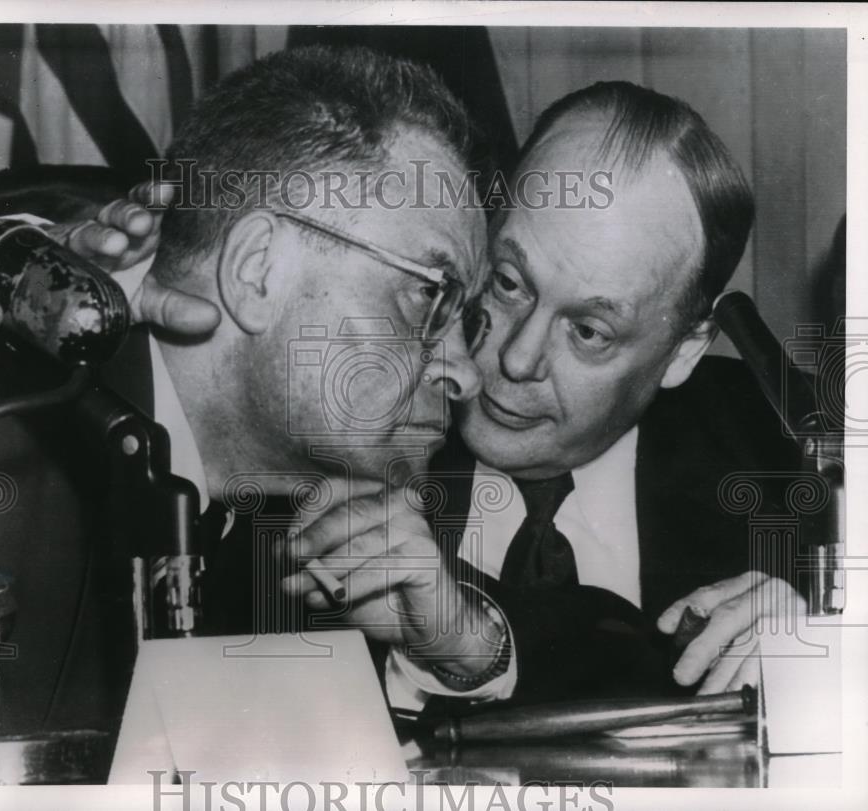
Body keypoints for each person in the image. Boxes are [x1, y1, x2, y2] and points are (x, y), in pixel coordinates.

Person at [73, 81, 808, 709]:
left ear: (682, 351)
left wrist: (830, 647)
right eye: (509, 282)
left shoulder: (789, 455)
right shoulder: (348, 421)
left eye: (588, 330)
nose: (513, 359)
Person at [0, 44, 505, 737]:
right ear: (258, 271)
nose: (467, 372)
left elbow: (606, 648)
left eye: (467, 319)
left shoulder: (297, 547)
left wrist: (462, 644)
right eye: (429, 293)